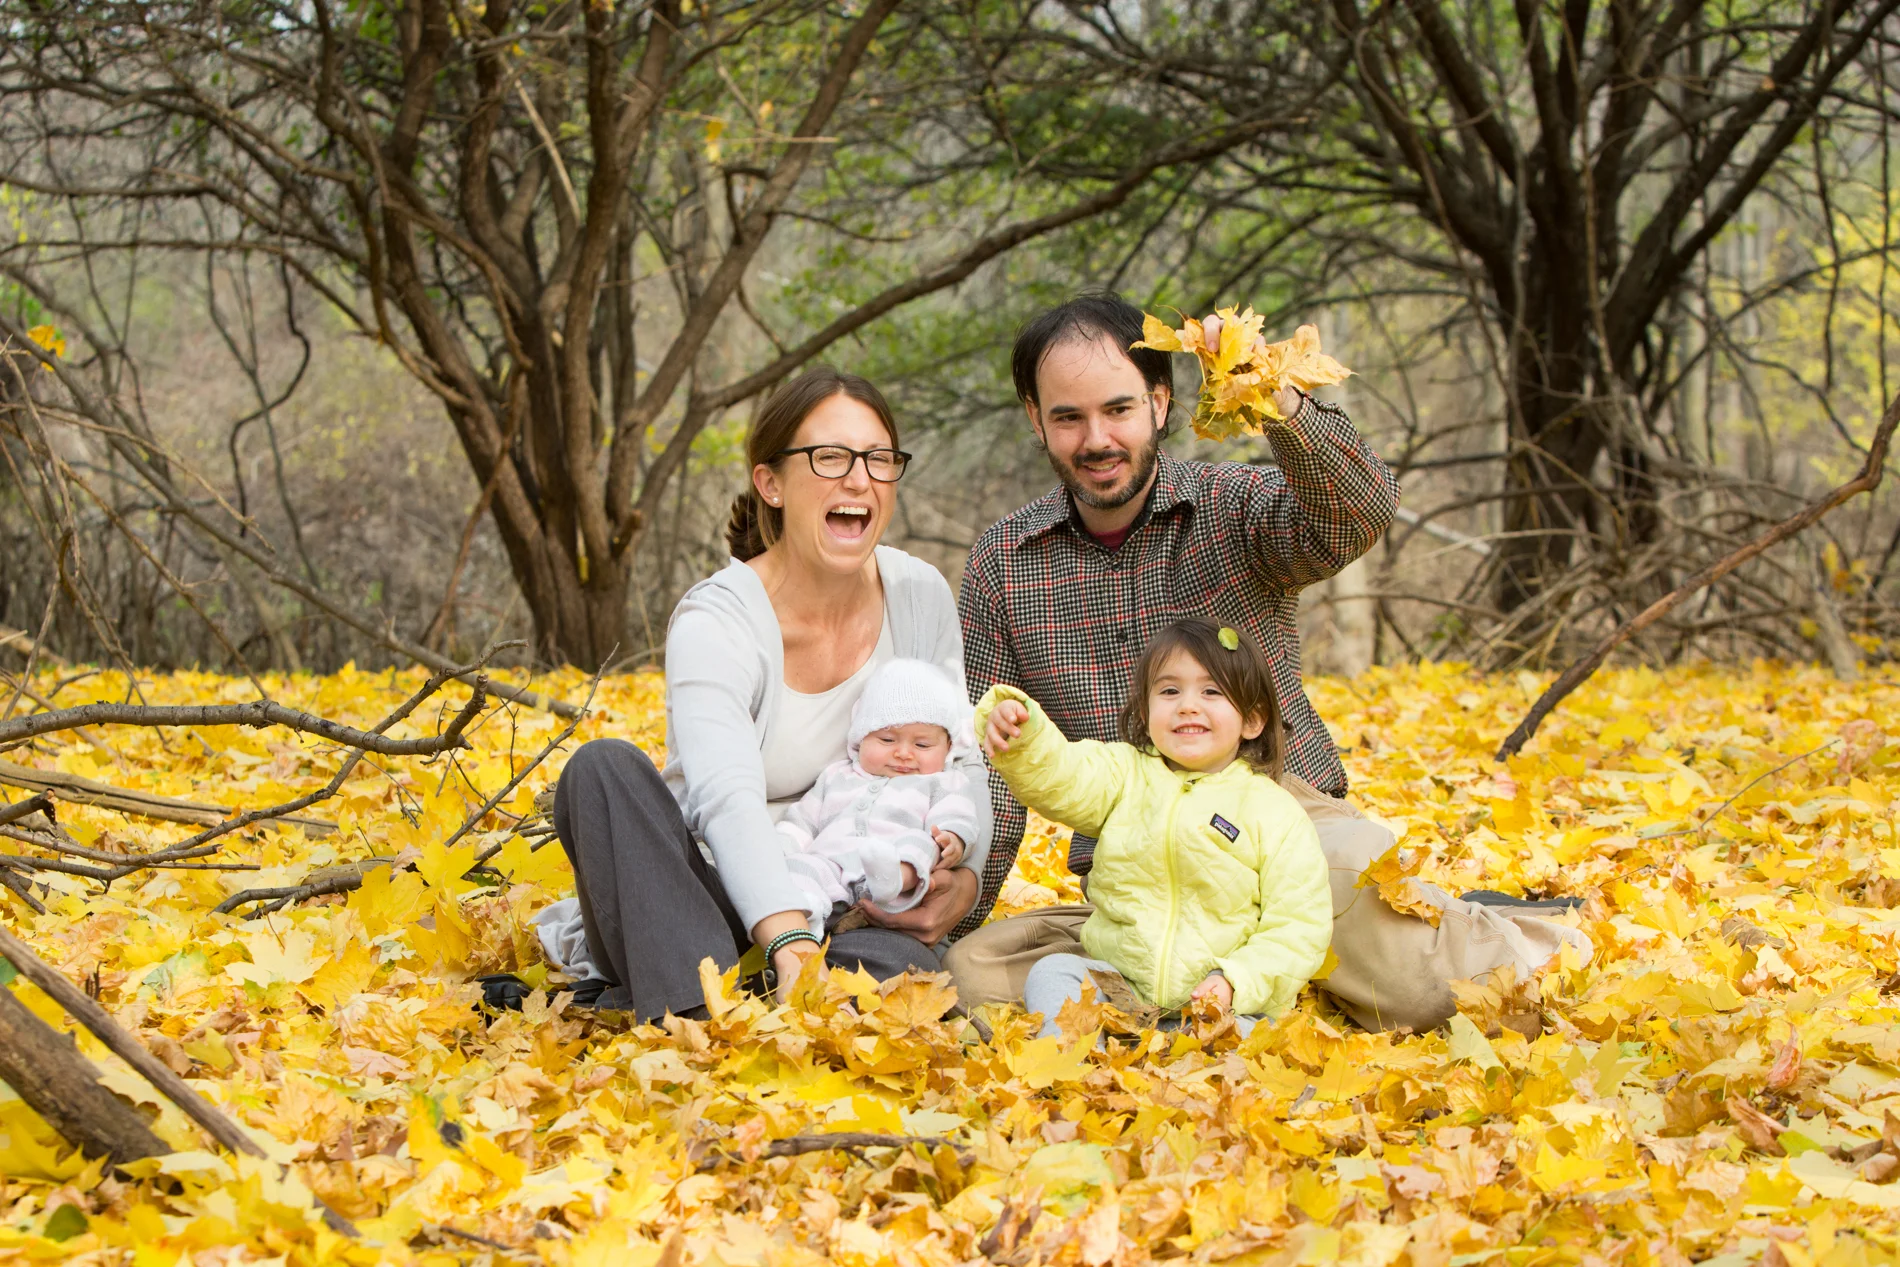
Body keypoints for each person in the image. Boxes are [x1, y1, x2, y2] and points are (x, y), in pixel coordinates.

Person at [946, 293, 1587, 1033]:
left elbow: (1359, 513)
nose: (1097, 439)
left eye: (1118, 409)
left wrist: (1274, 397)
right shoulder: (1004, 563)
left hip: (1284, 820)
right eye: (1069, 418)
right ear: (1036, 419)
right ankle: (1237, 989)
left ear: (1160, 402)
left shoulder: (1234, 506)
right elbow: (991, 764)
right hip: (1141, 869)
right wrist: (956, 906)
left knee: (1422, 995)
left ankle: (1513, 933)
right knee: (974, 974)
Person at [543, 366, 992, 1021]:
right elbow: (725, 798)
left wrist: (966, 880)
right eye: (830, 457)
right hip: (704, 894)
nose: (859, 479)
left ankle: (701, 993)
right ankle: (701, 1003)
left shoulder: (920, 594)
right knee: (600, 769)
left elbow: (963, 760)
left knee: (906, 963)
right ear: (770, 483)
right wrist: (788, 940)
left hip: (849, 901)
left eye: (878, 458)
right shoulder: (718, 619)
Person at [977, 619, 1331, 1038]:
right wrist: (1025, 738)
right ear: (1145, 714)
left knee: (1256, 1036)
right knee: (1053, 972)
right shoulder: (1123, 774)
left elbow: (1298, 925)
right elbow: (1064, 777)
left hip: (1218, 1004)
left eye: (1211, 691)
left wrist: (1236, 980)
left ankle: (1179, 1053)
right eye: (1169, 691)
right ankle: (1072, 1058)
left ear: (1252, 720)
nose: (1188, 705)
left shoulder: (1273, 811)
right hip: (1120, 986)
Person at [778, 658, 979, 935]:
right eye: (887, 740)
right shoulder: (837, 776)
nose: (903, 753)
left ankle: (893, 880)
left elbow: (958, 814)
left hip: (896, 867)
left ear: (947, 748)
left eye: (922, 744)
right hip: (831, 866)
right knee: (799, 867)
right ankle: (809, 913)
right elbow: (802, 821)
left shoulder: (942, 781)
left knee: (923, 842)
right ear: (860, 739)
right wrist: (780, 847)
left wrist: (952, 837)